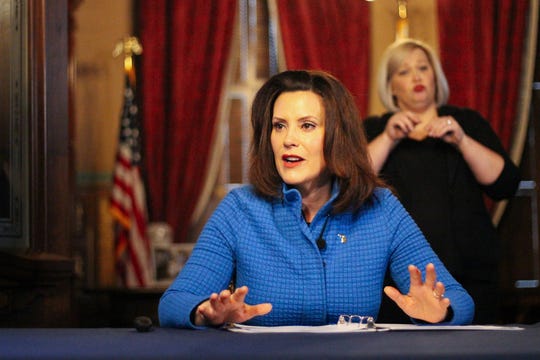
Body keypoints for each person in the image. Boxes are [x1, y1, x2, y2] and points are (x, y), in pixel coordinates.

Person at [158, 70, 474, 329]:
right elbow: (175, 302)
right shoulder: (240, 207)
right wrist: (205, 312)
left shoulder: (381, 208)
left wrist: (439, 313)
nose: (288, 140)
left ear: (339, 136)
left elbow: (459, 301)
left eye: (307, 126)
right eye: (279, 126)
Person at [363, 39, 520, 324]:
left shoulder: (466, 122)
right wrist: (388, 138)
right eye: (404, 72)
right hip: (401, 281)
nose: (417, 77)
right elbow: (350, 184)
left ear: (435, 76)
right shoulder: (375, 129)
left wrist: (461, 140)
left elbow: (505, 183)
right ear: (390, 86)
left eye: (423, 68)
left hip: (473, 275)